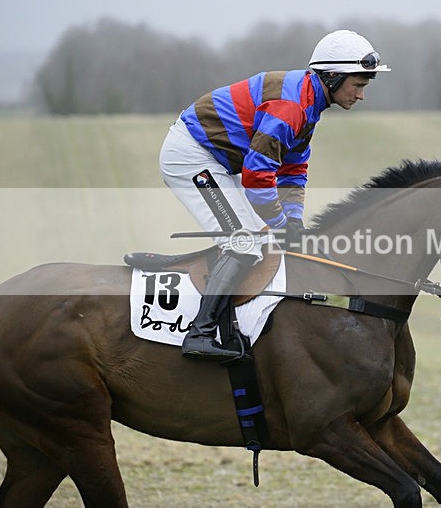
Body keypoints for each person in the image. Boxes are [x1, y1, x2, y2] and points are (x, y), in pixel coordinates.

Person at [159, 29, 390, 361]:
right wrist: (281, 224)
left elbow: (293, 170)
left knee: (266, 240)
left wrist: (293, 222)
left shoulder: (310, 103)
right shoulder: (292, 107)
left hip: (219, 161)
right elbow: (257, 178)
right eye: (358, 85)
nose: (361, 95)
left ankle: (235, 326)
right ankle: (201, 333)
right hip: (191, 157)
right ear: (333, 77)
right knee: (246, 241)